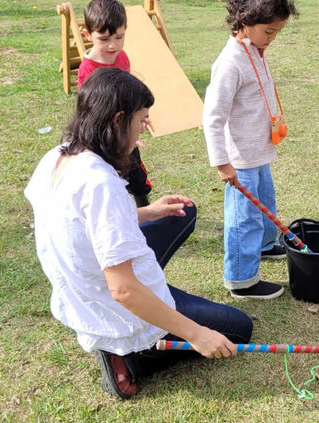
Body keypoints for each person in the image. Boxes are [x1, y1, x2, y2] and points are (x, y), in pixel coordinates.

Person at [24, 68, 252, 400]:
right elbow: (124, 291)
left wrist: (148, 212)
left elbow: (79, 224)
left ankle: (149, 316)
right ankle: (128, 355)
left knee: (183, 214)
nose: (144, 129)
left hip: (82, 285)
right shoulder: (101, 183)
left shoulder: (58, 155)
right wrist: (197, 334)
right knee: (239, 329)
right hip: (110, 301)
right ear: (118, 121)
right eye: (141, 120)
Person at [202, 0, 299, 300]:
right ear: (245, 21)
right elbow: (212, 117)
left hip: (258, 152)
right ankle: (241, 280)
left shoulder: (254, 48)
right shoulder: (230, 62)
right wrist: (222, 162)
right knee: (243, 219)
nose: (272, 38)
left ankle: (265, 245)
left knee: (265, 205)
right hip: (239, 159)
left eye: (277, 32)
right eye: (268, 31)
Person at [75, 0, 152, 207]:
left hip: (127, 132)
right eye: (104, 39)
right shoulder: (87, 71)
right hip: (104, 136)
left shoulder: (122, 58)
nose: (113, 45)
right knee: (109, 179)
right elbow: (90, 113)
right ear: (87, 34)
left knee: (136, 176)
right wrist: (116, 135)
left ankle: (144, 212)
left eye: (119, 37)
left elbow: (131, 97)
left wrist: (140, 120)